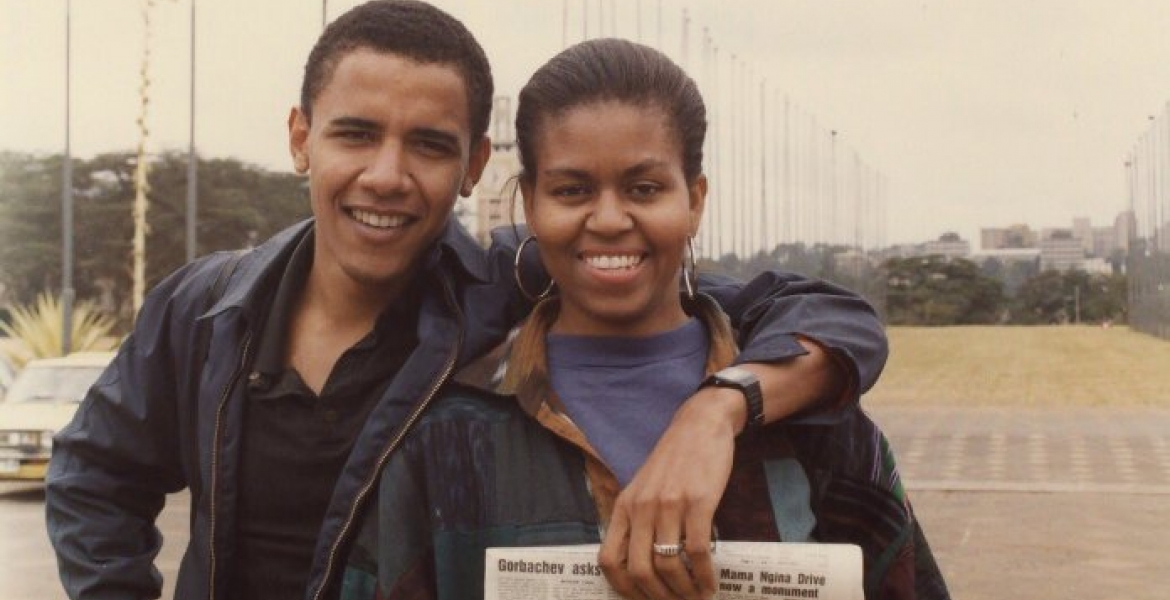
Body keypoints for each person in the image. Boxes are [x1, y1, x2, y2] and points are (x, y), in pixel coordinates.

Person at [45, 3, 888, 600]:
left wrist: (718, 409)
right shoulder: (203, 308)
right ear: (301, 136)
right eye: (355, 133)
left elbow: (818, 314)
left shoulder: (504, 282)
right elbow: (94, 472)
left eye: (428, 145)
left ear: (478, 166)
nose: (386, 174)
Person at [341, 38, 949, 600]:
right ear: (529, 203)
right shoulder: (445, 432)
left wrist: (720, 410)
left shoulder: (812, 420)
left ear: (696, 200)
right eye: (572, 191)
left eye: (645, 188)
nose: (608, 219)